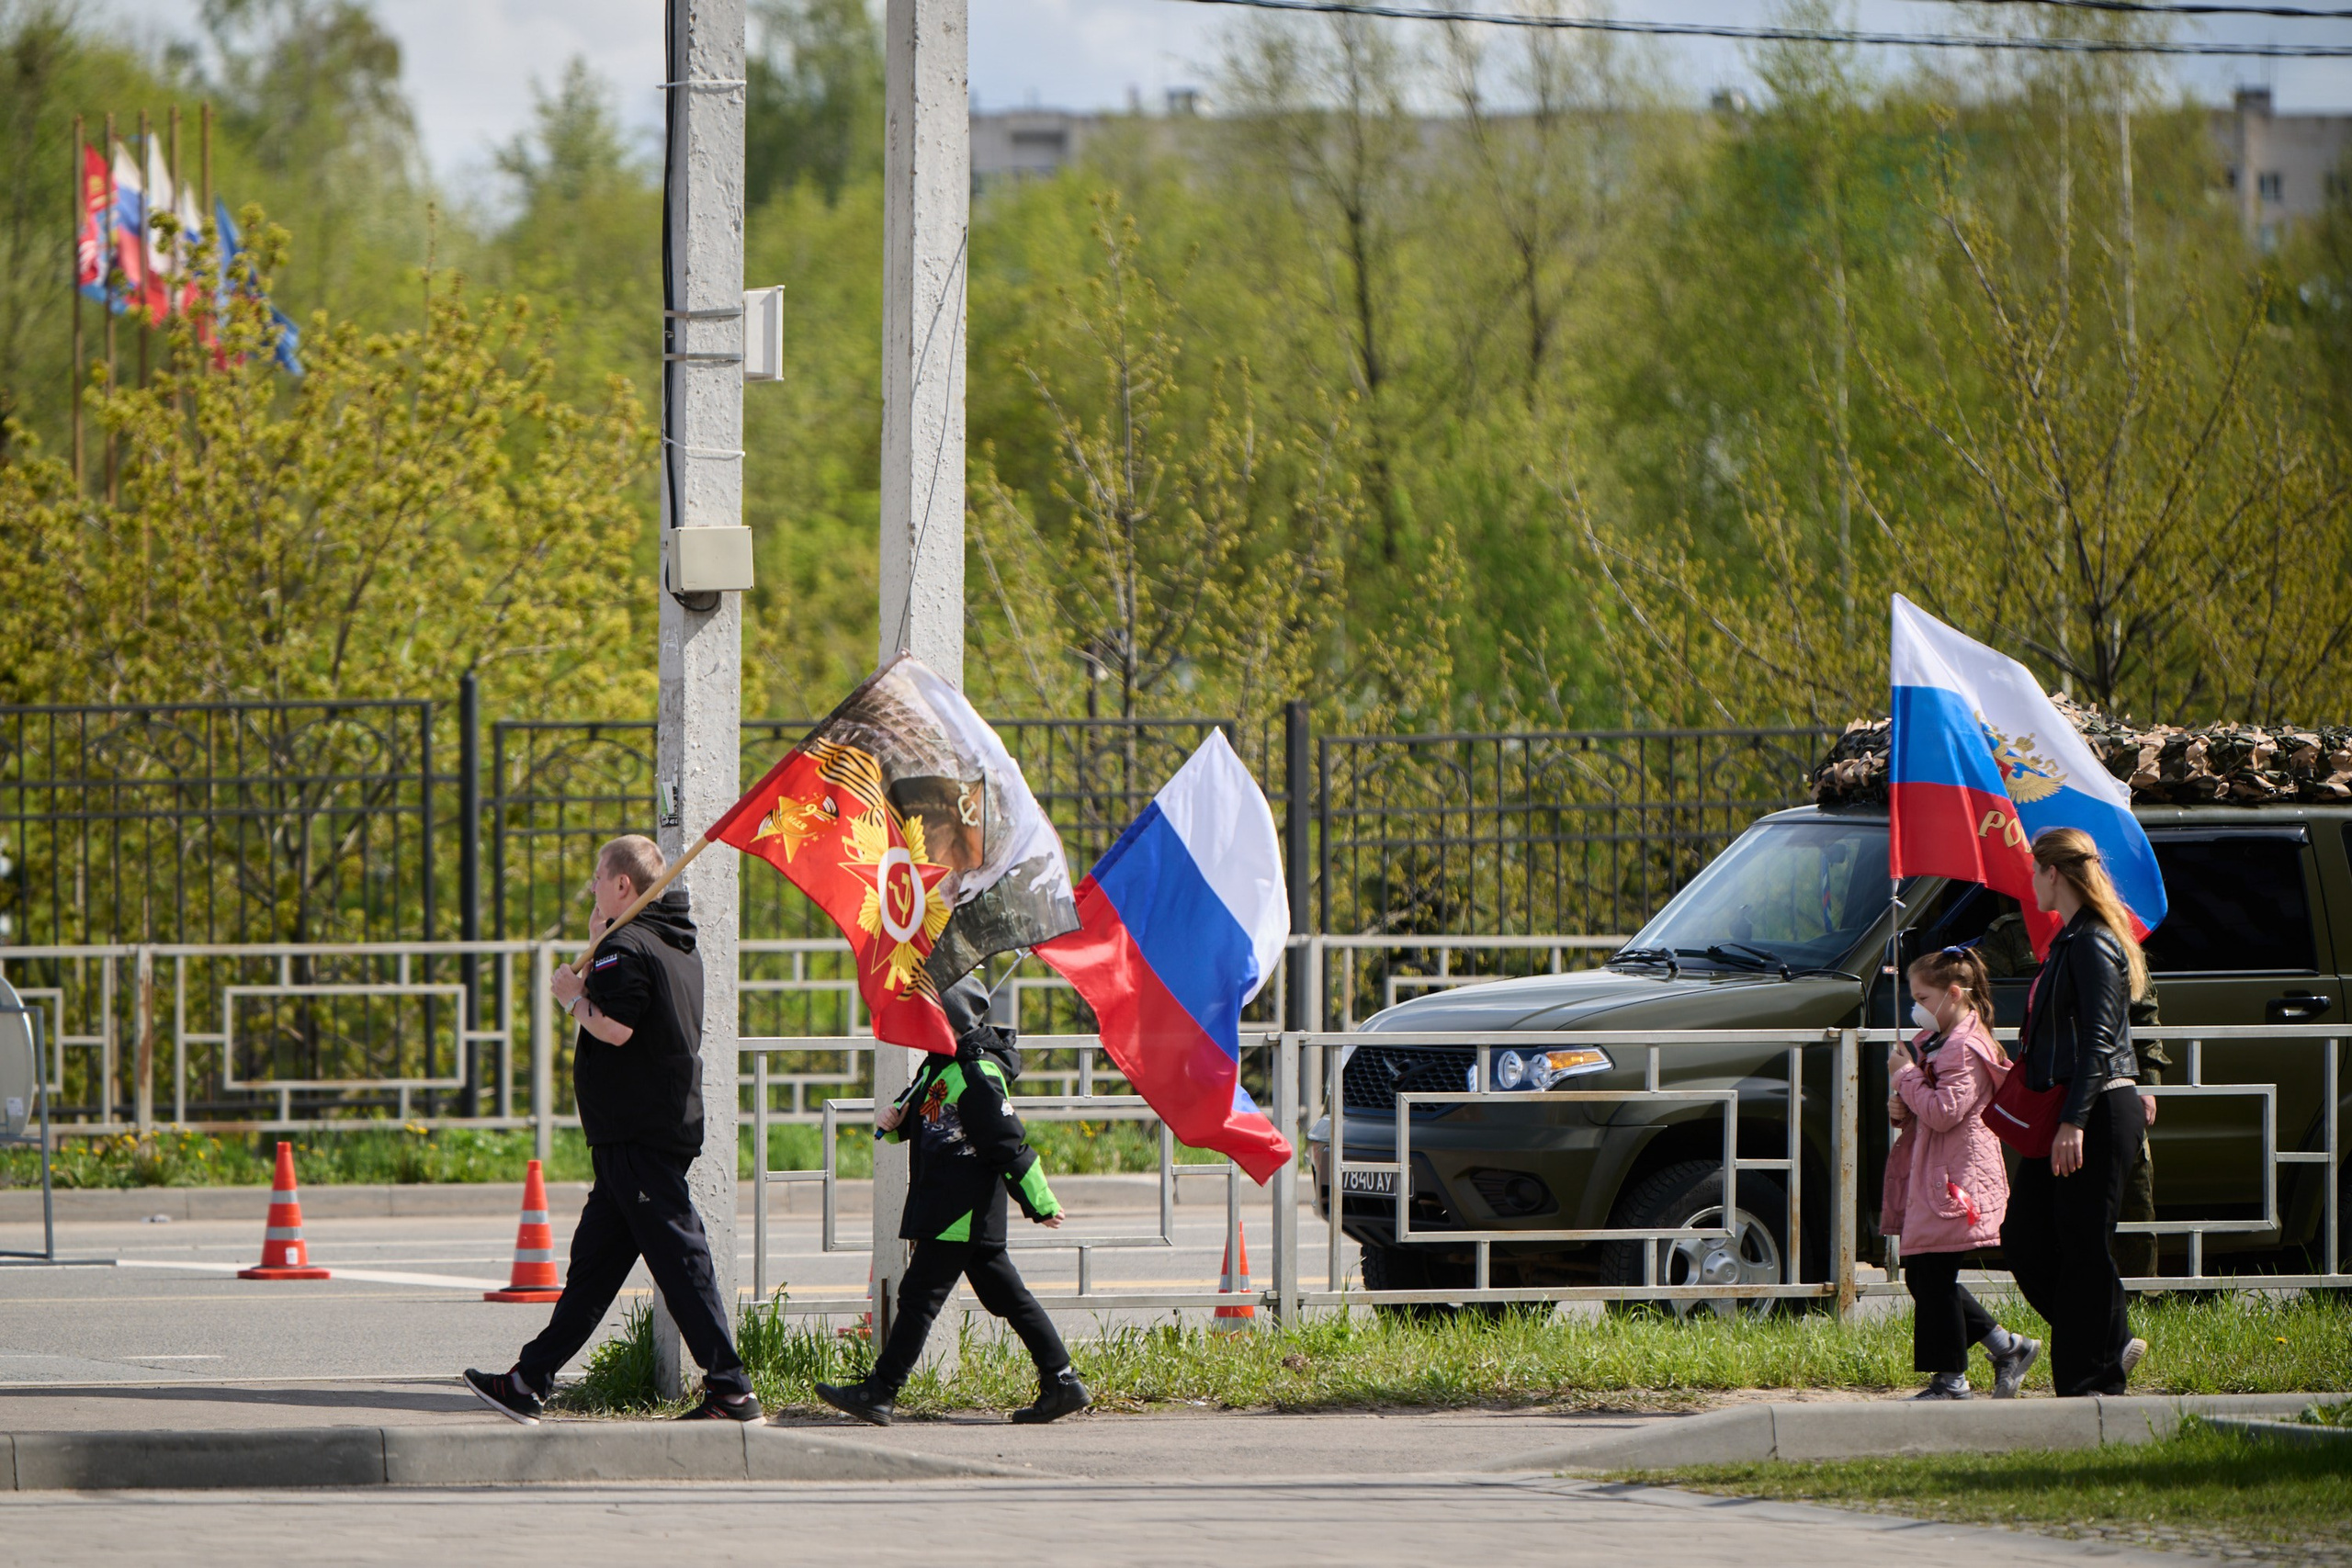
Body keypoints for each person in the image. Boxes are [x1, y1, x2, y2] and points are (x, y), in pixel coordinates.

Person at [464, 835, 760, 1424]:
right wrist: (599, 942)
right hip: (644, 1132)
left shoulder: (624, 947)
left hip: (637, 1134)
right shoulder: (672, 945)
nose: (593, 887)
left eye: (599, 877)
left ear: (623, 884)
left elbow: (618, 1028)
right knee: (593, 1269)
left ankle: (731, 1389)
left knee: (681, 1261)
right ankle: (528, 1380)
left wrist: (575, 998)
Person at [816, 978, 1089, 1427]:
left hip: (960, 1209)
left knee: (919, 1297)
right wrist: (896, 1121)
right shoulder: (939, 1065)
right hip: (946, 1203)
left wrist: (1040, 1202)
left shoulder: (978, 1073)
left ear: (948, 1020)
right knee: (1009, 1298)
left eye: (927, 1015)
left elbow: (1008, 1142)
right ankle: (1062, 1381)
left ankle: (880, 1391)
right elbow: (926, 1113)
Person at [1996, 828, 2152, 1398]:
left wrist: (2075, 1121)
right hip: (2072, 1105)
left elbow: (2099, 1043)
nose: (2029, 881)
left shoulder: (2091, 943)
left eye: (2034, 870)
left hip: (2096, 1108)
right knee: (2025, 1238)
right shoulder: (2071, 939)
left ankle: (2092, 1384)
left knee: (2082, 1244)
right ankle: (2108, 1341)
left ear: (2053, 873)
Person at [1884, 944, 2039, 1399]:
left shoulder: (1963, 1047)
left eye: (1924, 998)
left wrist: (1905, 1079)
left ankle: (1953, 1378)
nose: (1917, 1008)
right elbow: (1924, 1109)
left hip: (1955, 1179)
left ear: (1954, 994)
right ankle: (2006, 1346)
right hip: (1939, 1172)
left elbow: (1945, 1112)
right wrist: (1902, 1105)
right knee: (1928, 1275)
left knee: (1929, 1275)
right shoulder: (1936, 1042)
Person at [1977, 909, 2166, 1280]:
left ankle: (2139, 1297)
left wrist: (2147, 1083)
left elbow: (2139, 1013)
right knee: (2044, 1231)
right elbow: (1987, 996)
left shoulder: (2104, 935)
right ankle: (2098, 1323)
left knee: (2128, 1198)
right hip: (2048, 1094)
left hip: (2104, 1090)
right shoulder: (2012, 932)